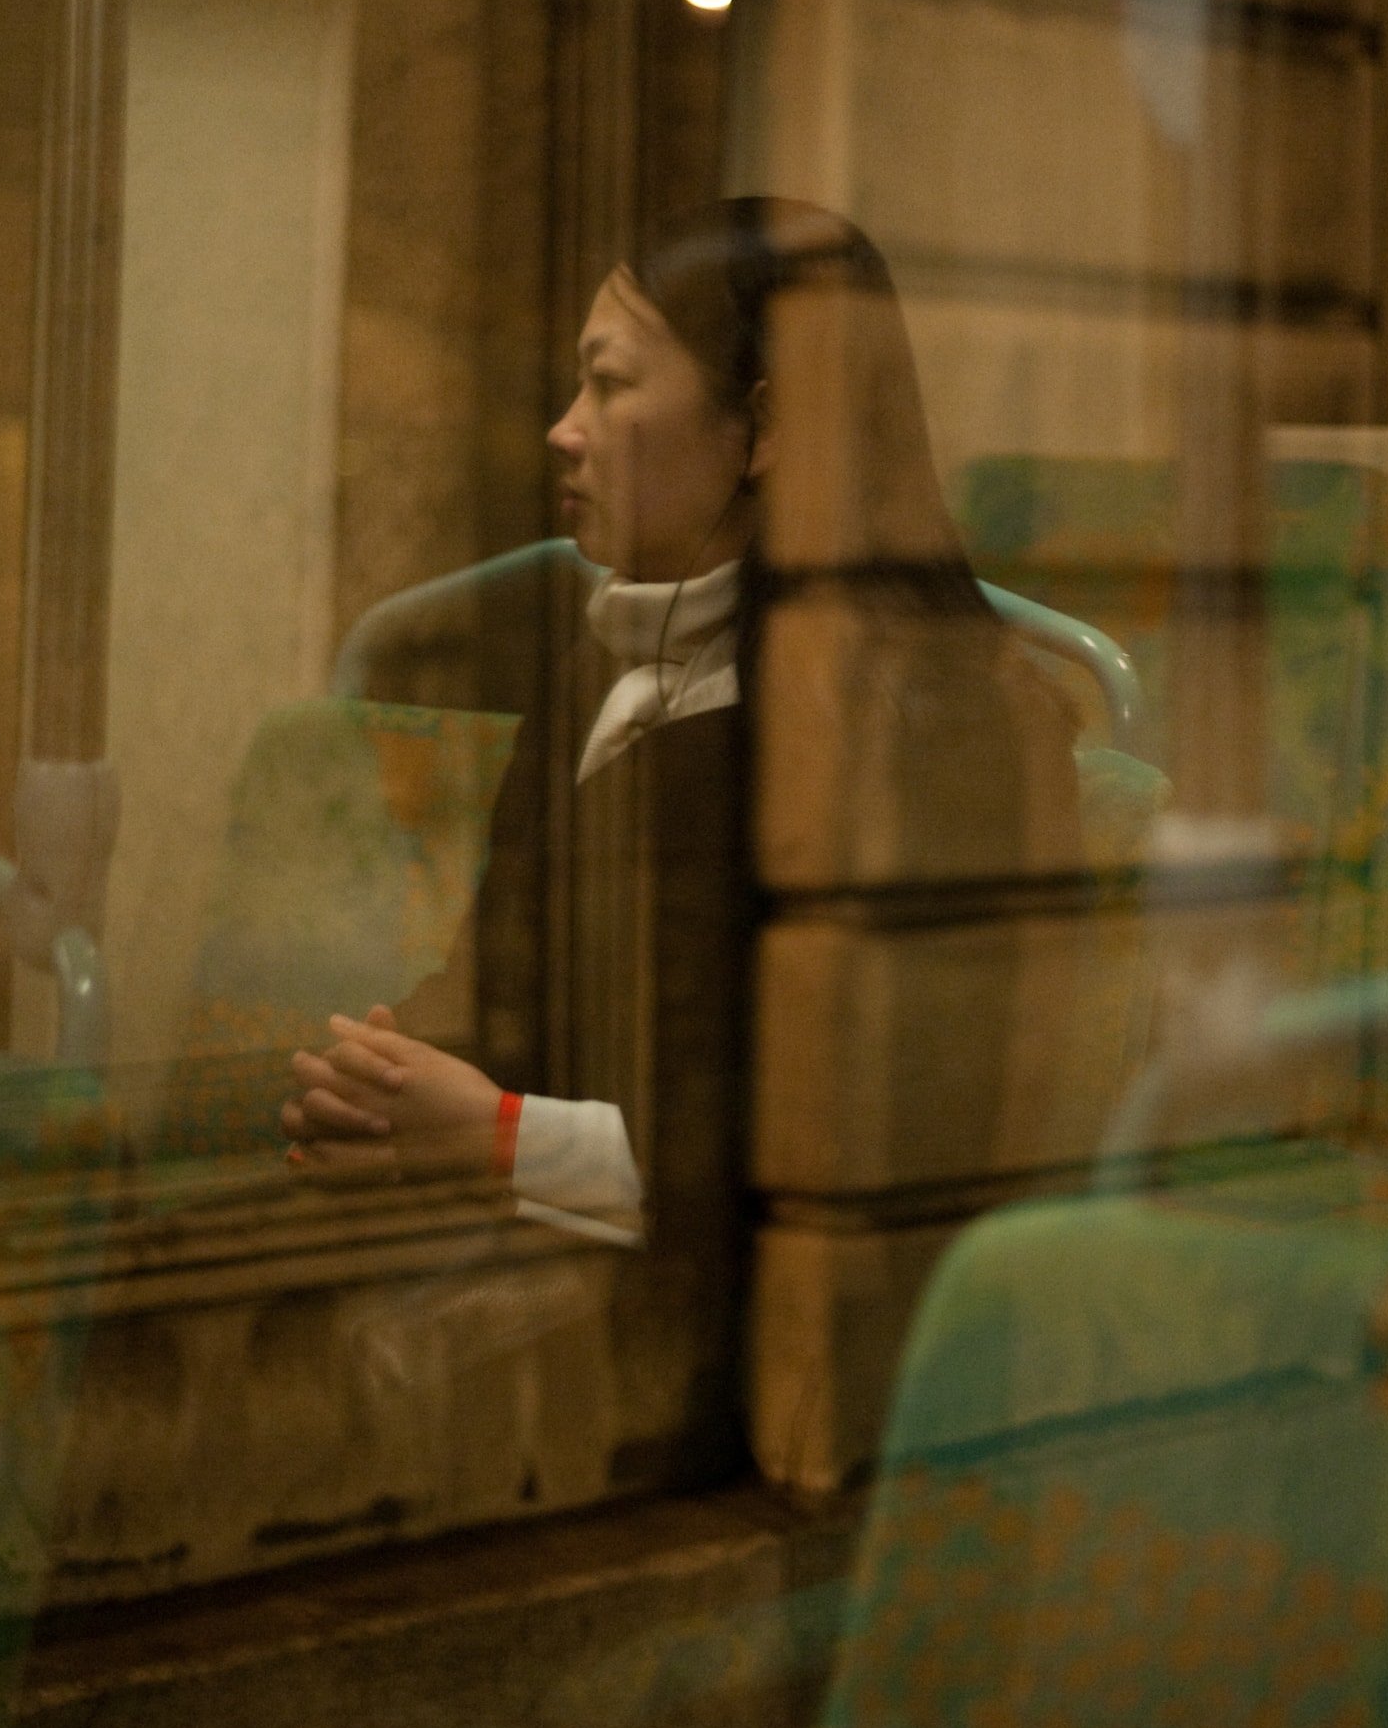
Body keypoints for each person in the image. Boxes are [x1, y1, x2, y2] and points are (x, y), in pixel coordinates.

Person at [280, 196, 1080, 1239]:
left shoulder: (937, 726)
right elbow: (542, 1040)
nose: (565, 430)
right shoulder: (605, 673)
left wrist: (495, 1135)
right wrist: (390, 1103)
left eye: (610, 385)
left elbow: (871, 1157)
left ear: (767, 429)